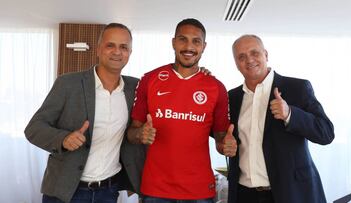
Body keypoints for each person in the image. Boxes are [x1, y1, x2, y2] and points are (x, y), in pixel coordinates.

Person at [24, 23, 146, 203]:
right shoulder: (68, 83)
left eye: (124, 47)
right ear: (98, 49)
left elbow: (170, 85)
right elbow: (34, 128)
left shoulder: (135, 88)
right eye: (110, 45)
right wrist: (63, 139)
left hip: (108, 191)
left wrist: (202, 73)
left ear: (130, 53)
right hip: (65, 190)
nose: (117, 52)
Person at [127, 18, 237, 202]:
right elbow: (131, 133)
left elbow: (220, 138)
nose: (189, 46)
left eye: (196, 41)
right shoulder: (149, 80)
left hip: (199, 190)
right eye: (182, 39)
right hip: (156, 189)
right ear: (173, 42)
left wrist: (226, 145)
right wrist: (140, 134)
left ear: (204, 46)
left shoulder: (216, 88)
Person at [227, 34, 335, 203]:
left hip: (290, 194)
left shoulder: (297, 88)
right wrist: (224, 143)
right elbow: (225, 138)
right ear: (236, 63)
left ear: (266, 55)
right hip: (244, 195)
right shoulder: (231, 97)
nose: (249, 60)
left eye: (254, 53)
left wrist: (290, 114)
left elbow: (326, 133)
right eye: (241, 56)